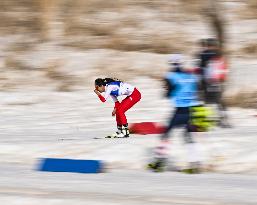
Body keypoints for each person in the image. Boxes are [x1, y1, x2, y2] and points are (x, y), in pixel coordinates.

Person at [148, 54, 203, 173]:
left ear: (171, 64)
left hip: (179, 111)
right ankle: (195, 164)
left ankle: (159, 164)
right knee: (188, 136)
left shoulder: (170, 76)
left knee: (165, 134)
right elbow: (197, 89)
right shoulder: (191, 76)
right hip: (191, 110)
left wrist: (169, 91)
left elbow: (168, 93)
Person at [196, 38, 230, 127]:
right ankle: (223, 120)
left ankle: (203, 122)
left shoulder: (202, 55)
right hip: (218, 81)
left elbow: (198, 69)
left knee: (203, 100)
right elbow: (224, 68)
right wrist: (223, 80)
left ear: (207, 45)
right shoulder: (220, 55)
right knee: (219, 101)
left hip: (205, 81)